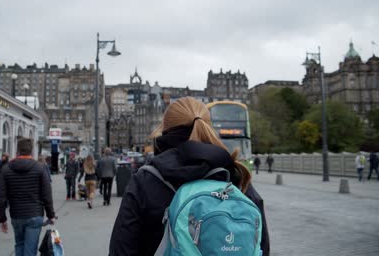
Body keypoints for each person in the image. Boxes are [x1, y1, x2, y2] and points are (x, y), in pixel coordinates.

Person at [109, 97, 270, 256]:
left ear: (164, 129)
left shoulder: (145, 180)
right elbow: (260, 247)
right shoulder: (236, 177)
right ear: (209, 126)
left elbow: (121, 249)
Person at [0, 138, 55, 256]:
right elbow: (46, 195)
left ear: (17, 150)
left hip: (17, 214)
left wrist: (1, 218)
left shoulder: (6, 169)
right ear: (31, 150)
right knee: (30, 249)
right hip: (35, 214)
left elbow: (1, 197)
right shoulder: (40, 167)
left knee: (19, 244)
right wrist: (51, 215)